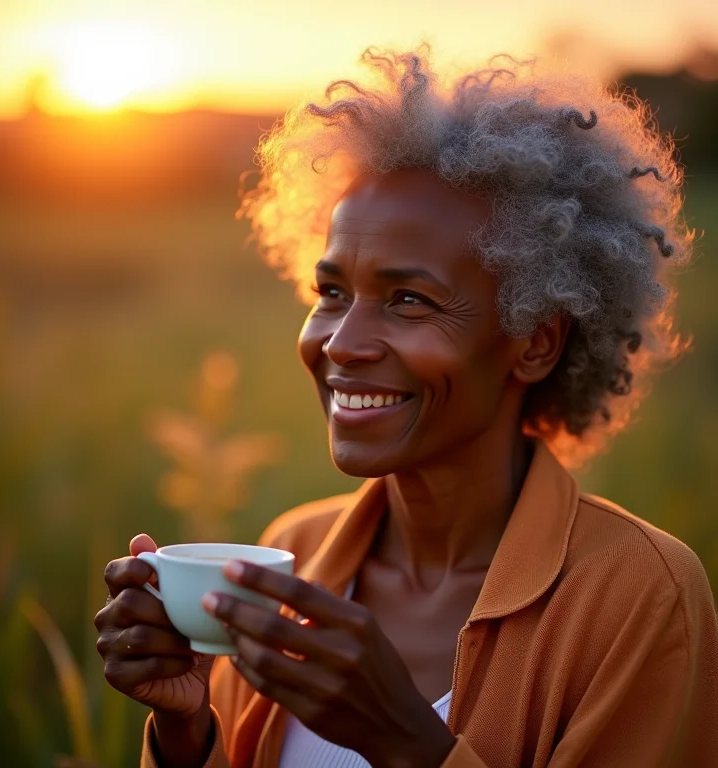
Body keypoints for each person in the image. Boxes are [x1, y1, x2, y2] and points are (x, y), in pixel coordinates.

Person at [94, 48, 718, 768]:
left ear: (536, 343)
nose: (342, 344)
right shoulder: (296, 554)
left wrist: (402, 740)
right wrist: (184, 731)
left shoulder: (638, 596)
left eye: (409, 300)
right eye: (331, 294)